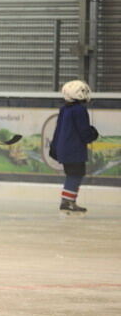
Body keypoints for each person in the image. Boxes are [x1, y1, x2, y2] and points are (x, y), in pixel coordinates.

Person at [50, 80, 99, 215]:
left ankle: (67, 201)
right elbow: (84, 131)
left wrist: (54, 146)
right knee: (76, 174)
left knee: (72, 174)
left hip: (64, 149)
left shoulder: (64, 109)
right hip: (74, 149)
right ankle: (68, 202)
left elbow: (58, 129)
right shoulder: (80, 110)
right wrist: (93, 134)